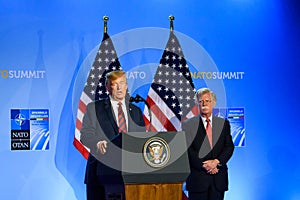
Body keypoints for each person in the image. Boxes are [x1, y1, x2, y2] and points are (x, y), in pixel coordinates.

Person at [80, 70, 145, 200]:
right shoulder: (95, 108)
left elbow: (141, 139)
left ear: (126, 86)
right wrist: (97, 143)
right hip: (101, 173)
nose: (119, 87)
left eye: (122, 83)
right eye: (115, 84)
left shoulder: (136, 111)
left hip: (131, 175)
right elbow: (85, 135)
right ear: (108, 87)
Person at [182, 88, 234, 200]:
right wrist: (205, 165)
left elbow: (229, 147)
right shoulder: (189, 124)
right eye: (201, 101)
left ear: (213, 103)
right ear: (197, 104)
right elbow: (188, 150)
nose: (204, 104)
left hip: (218, 179)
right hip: (198, 180)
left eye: (207, 101)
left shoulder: (223, 124)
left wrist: (216, 162)